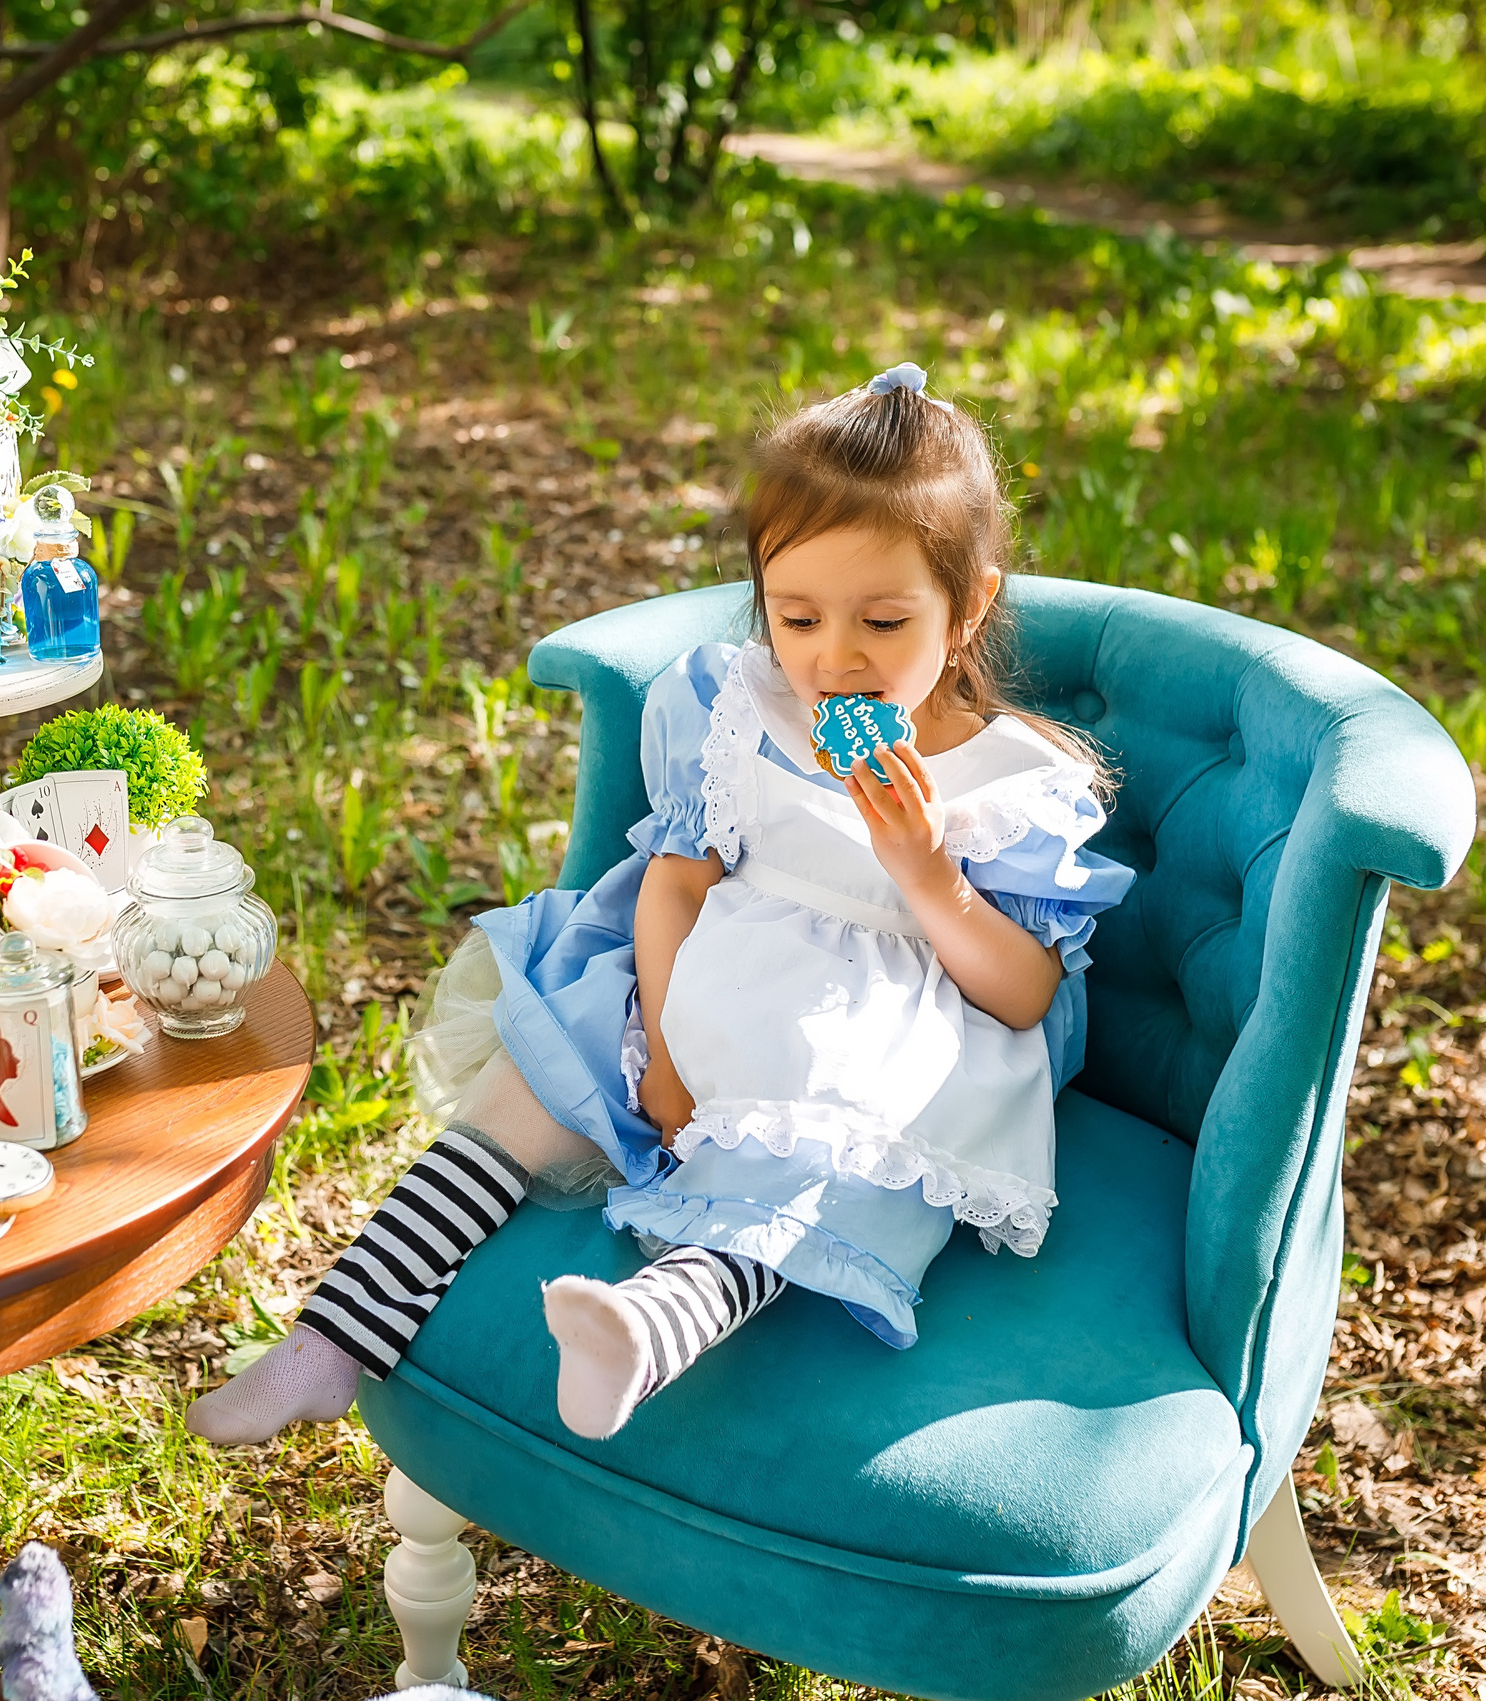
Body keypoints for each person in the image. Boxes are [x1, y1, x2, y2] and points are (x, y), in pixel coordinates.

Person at [187, 364, 1134, 1446]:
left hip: (876, 1037)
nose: (834, 658)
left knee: (821, 1169)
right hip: (700, 972)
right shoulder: (735, 709)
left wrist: (926, 873)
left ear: (965, 610)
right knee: (538, 1081)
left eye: (882, 620)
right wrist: (670, 1052)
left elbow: (1024, 998)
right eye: (797, 616)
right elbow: (677, 882)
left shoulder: (1015, 784)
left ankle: (645, 1332)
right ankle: (332, 1341)